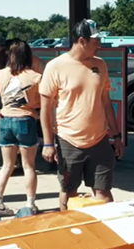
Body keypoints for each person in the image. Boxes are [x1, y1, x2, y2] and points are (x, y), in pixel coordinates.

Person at [39, 19, 124, 211]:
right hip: (68, 140)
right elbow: (45, 108)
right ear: (82, 41)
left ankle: (106, 227)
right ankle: (68, 226)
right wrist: (48, 143)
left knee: (104, 192)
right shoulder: (55, 66)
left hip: (99, 139)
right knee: (69, 192)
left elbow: (106, 102)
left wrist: (117, 136)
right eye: (95, 41)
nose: (99, 45)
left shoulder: (100, 65)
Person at [0, 40, 42, 216]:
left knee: (7, 165)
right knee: (29, 166)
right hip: (26, 119)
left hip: (5, 120)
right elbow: (43, 102)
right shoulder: (35, 77)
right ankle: (30, 204)